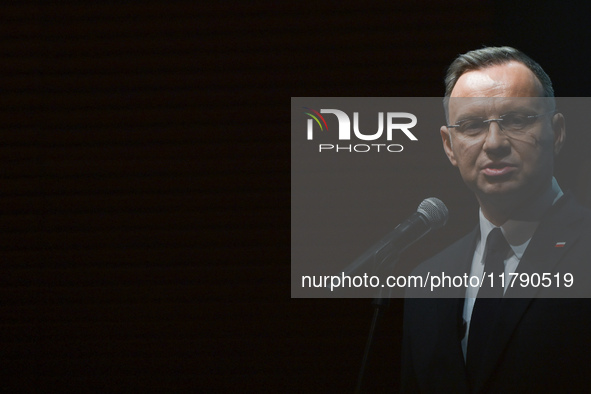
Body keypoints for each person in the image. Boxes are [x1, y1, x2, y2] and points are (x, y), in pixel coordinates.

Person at [401, 46, 591, 393]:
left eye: (517, 120)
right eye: (472, 126)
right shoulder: (425, 283)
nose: (494, 143)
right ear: (449, 146)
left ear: (557, 132)